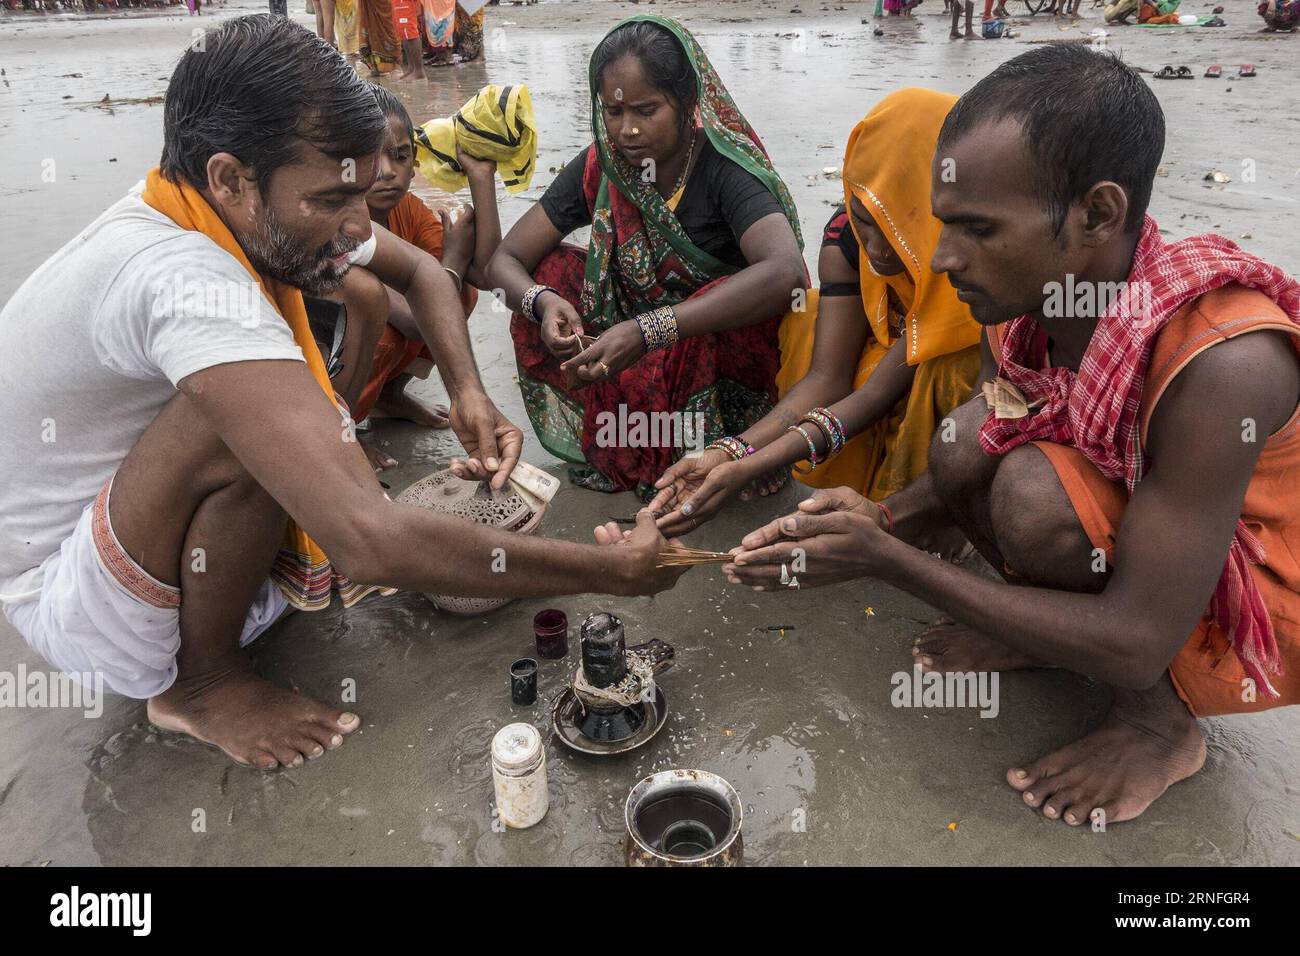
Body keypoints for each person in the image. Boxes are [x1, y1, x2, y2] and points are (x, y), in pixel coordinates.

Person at [0, 16, 682, 773]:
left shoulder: (225, 200)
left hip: (133, 514)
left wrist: (468, 397)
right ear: (231, 177)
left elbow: (425, 275)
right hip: (76, 596)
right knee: (245, 414)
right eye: (332, 201)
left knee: (293, 413)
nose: (358, 227)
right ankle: (201, 683)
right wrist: (612, 574)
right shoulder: (179, 279)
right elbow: (370, 542)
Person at [726, 45, 1300, 826]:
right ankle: (1048, 630)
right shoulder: (1032, 306)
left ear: (1098, 214)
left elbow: (1139, 637)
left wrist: (889, 563)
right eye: (943, 224)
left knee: (1034, 495)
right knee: (968, 440)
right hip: (1154, 534)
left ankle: (1158, 727)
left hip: (1258, 586)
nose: (943, 257)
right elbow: (979, 446)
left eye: (978, 229)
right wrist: (882, 519)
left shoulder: (1223, 364)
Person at [649, 89, 982, 556]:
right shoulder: (845, 239)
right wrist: (732, 453)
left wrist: (749, 463)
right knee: (805, 315)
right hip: (878, 371)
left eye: (900, 228)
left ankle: (935, 512)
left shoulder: (965, 261)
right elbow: (827, 378)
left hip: (936, 379)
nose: (880, 249)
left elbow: (876, 392)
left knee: (947, 366)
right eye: (868, 222)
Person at [487, 15, 807, 500]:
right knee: (551, 272)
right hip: (625, 340)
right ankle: (627, 440)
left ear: (687, 102)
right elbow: (505, 258)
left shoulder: (724, 168)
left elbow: (787, 273)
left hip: (710, 349)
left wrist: (650, 329)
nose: (627, 130)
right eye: (613, 113)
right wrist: (546, 303)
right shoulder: (604, 163)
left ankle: (702, 450)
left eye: (646, 109)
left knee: (717, 299)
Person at [350, 84, 503, 468]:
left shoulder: (409, 209)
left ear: (414, 161)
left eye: (399, 156)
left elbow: (486, 273)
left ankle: (387, 396)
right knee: (383, 332)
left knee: (463, 291)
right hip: (321, 365)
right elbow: (419, 320)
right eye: (370, 157)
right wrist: (452, 257)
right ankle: (339, 431)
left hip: (396, 322)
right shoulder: (344, 222)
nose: (387, 172)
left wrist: (480, 178)